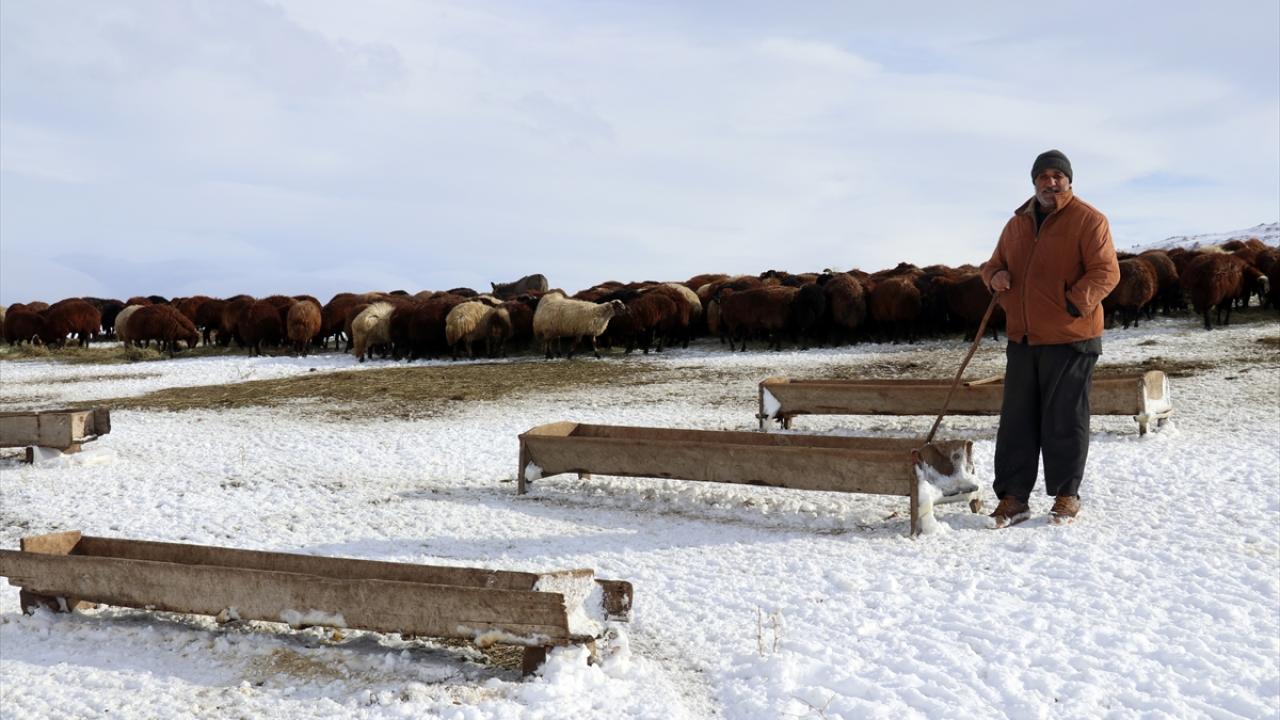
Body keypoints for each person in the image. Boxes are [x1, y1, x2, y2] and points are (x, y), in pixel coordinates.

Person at [980, 149, 1120, 527]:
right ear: (1034, 182)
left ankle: (1066, 495)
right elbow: (992, 265)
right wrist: (994, 277)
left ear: (1069, 180)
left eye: (1058, 175)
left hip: (1071, 337)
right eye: (1043, 176)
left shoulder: (1089, 220)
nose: (1050, 182)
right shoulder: (1016, 225)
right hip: (1023, 338)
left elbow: (1106, 272)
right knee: (1017, 421)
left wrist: (1073, 304)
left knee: (1065, 419)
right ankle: (1013, 498)